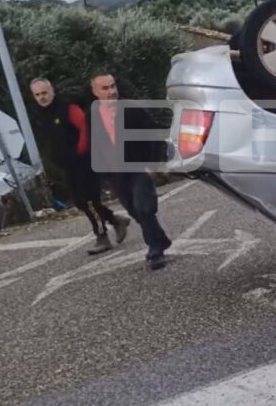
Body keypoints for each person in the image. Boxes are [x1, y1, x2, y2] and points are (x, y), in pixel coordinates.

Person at [29, 78, 129, 255]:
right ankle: (115, 220)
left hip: (84, 162)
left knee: (89, 201)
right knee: (81, 202)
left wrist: (81, 150)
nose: (42, 97)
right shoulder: (41, 115)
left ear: (52, 91)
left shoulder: (67, 108)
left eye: (44, 93)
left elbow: (85, 126)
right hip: (68, 166)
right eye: (37, 95)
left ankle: (102, 236)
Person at [86, 72, 172, 270]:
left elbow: (154, 135)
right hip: (117, 173)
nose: (111, 92)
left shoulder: (132, 109)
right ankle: (160, 239)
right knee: (134, 211)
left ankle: (155, 251)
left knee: (144, 208)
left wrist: (152, 165)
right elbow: (95, 145)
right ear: (95, 92)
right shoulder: (92, 116)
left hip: (139, 168)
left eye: (113, 86)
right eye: (105, 88)